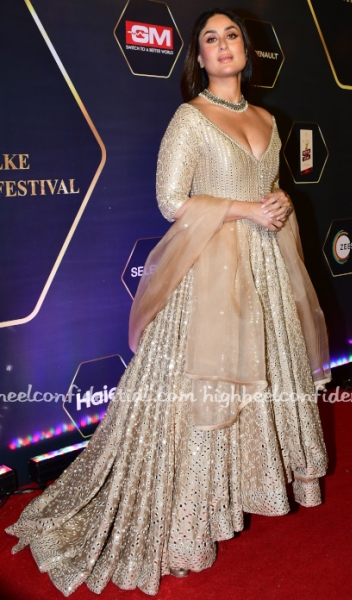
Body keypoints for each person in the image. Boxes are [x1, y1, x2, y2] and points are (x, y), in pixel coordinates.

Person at [6, 8, 331, 596]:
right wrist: (244, 209)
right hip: (210, 271)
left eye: (232, 35)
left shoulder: (268, 118)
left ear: (247, 50)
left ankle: (239, 490)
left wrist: (277, 201)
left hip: (265, 267)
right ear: (199, 58)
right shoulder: (190, 118)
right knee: (206, 389)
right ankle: (185, 527)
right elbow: (170, 199)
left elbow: (269, 186)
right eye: (210, 39)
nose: (223, 45)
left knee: (259, 377)